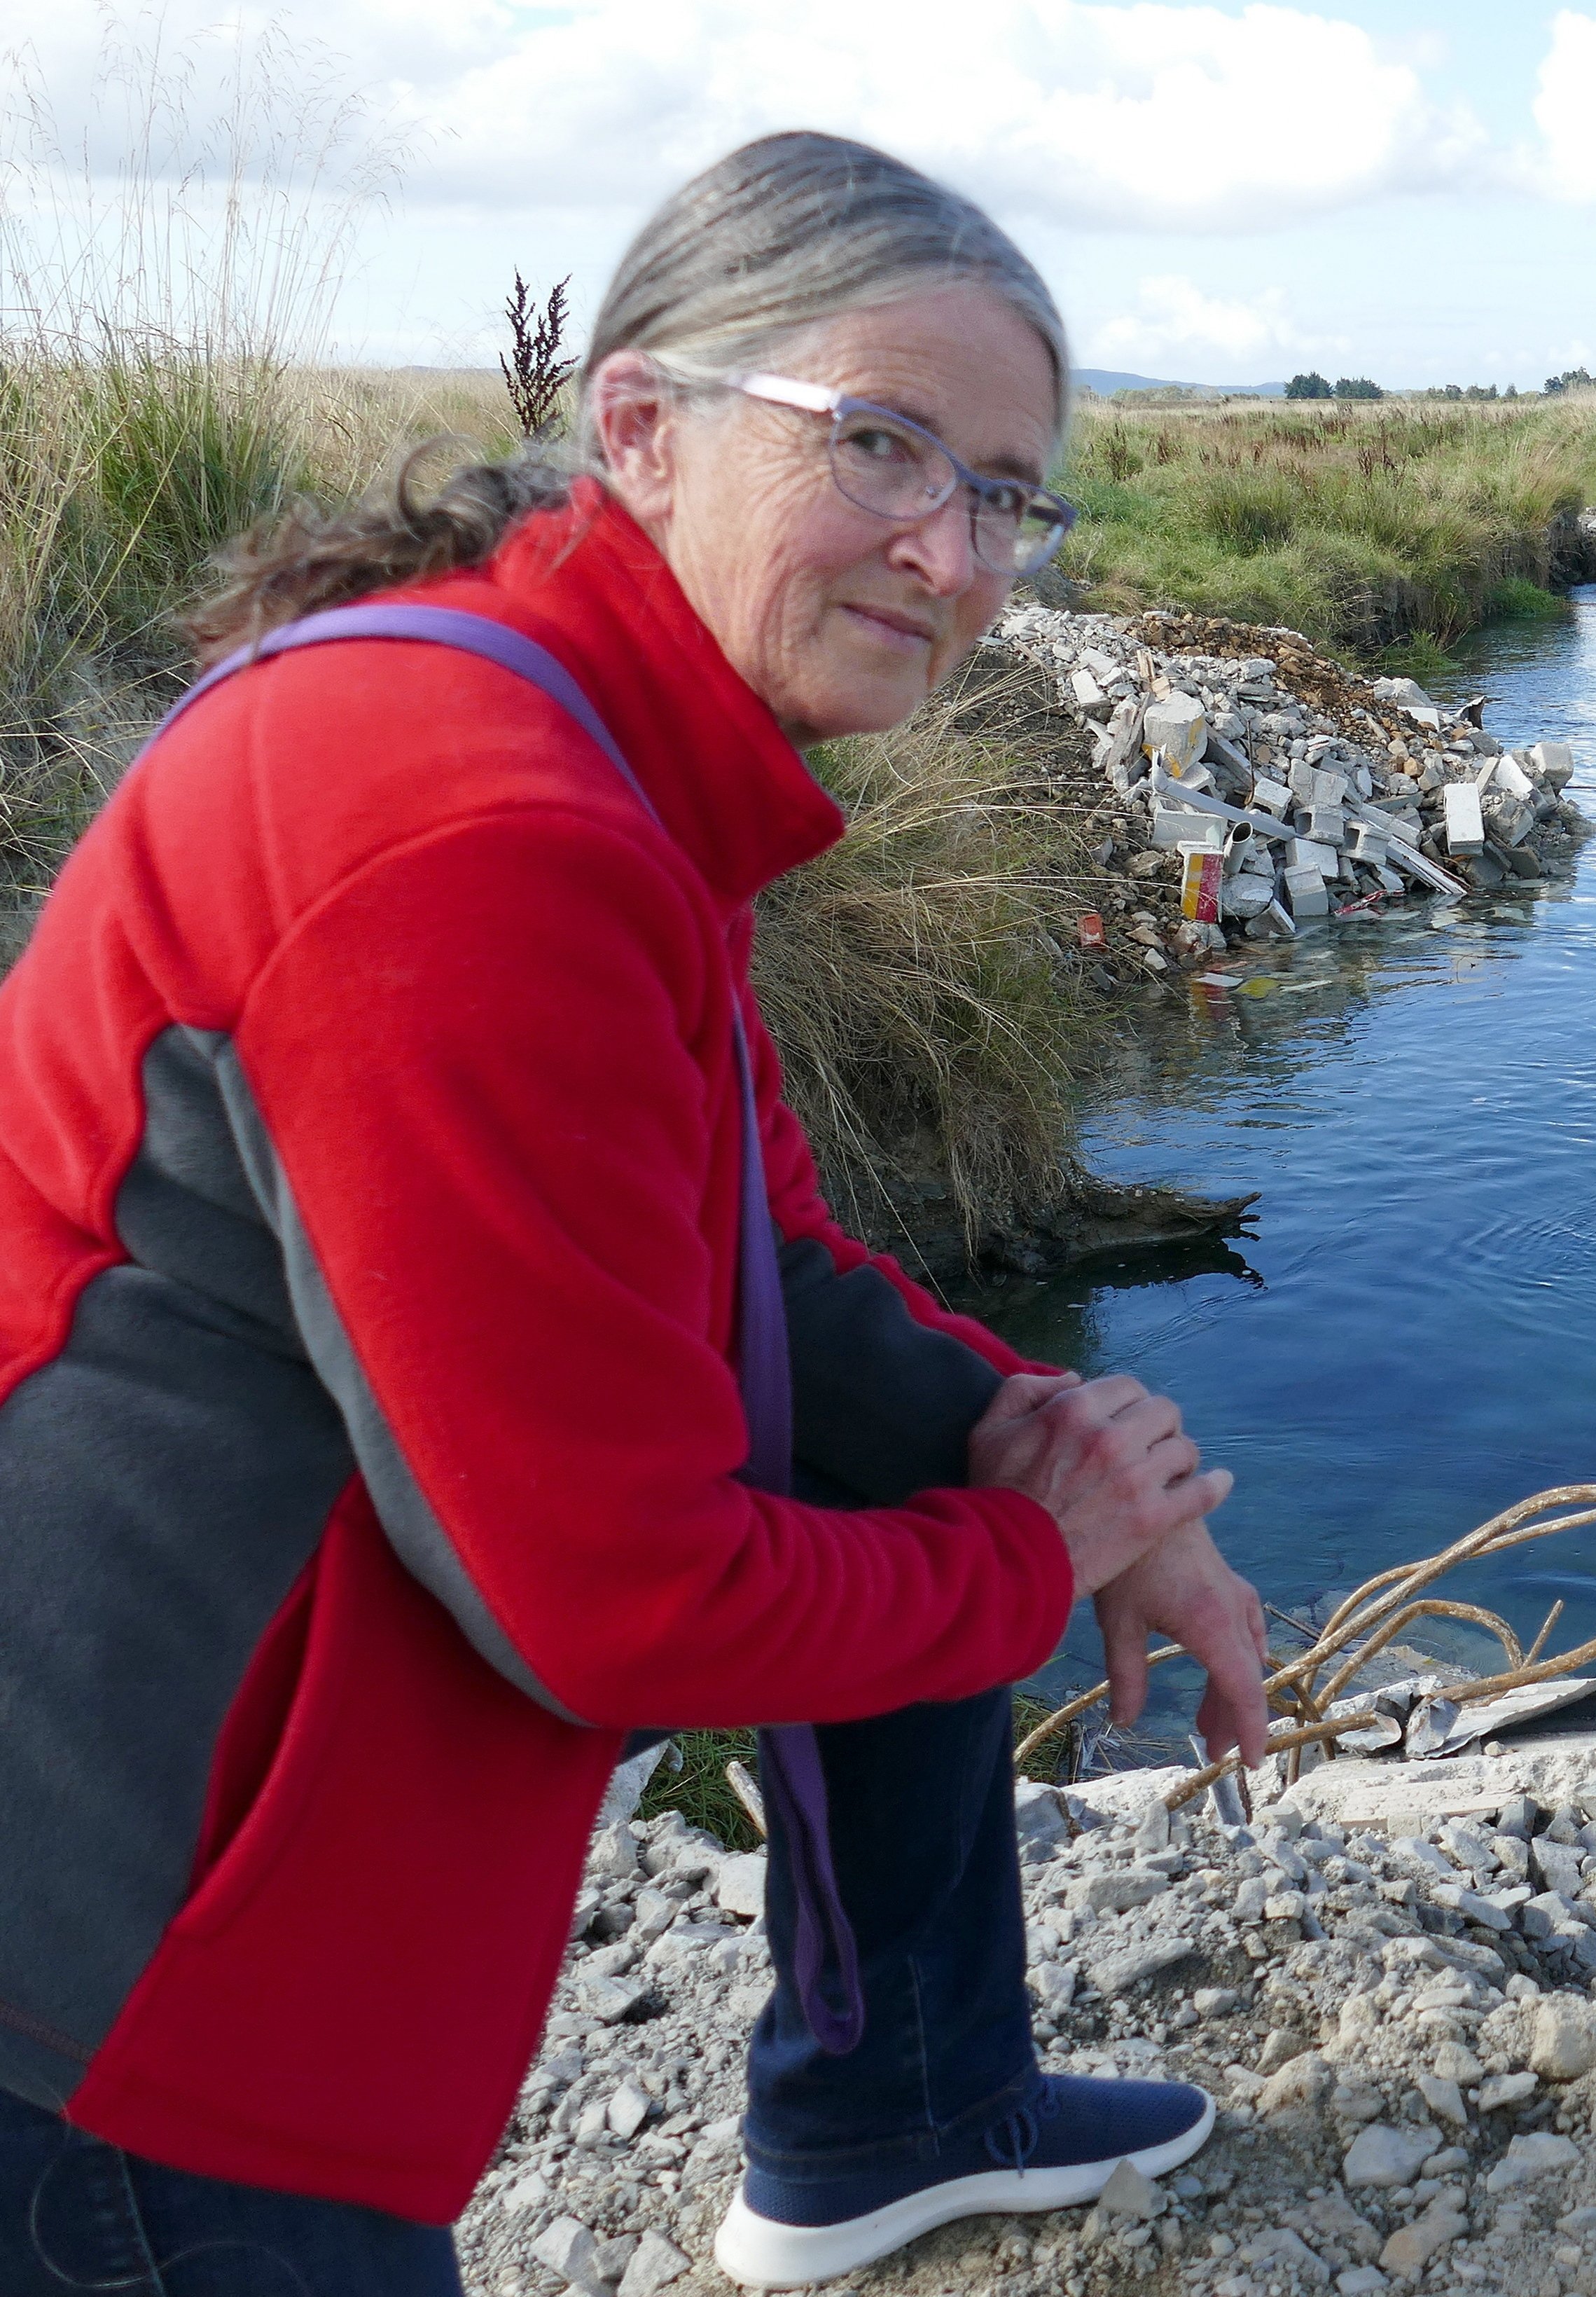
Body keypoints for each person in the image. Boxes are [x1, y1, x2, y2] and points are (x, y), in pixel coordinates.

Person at [0, 132, 1269, 2293]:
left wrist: (1066, 1455)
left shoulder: (578, 751)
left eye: (1006, 495)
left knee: (930, 1441)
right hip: (123, 2019)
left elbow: (770, 1276)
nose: (952, 553)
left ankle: (894, 2106)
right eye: (880, 446)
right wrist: (1025, 1554)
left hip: (183, 1926)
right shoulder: (474, 833)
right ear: (642, 427)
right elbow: (616, 1605)